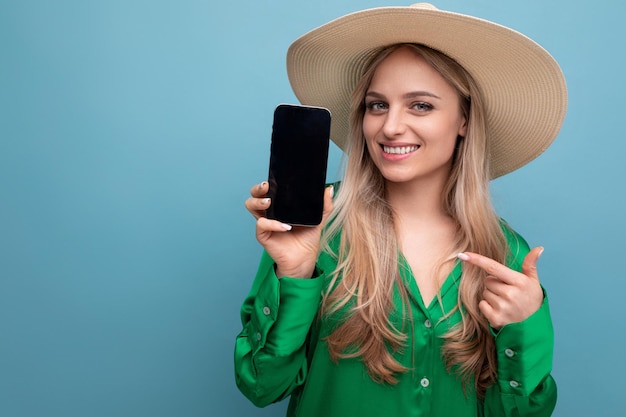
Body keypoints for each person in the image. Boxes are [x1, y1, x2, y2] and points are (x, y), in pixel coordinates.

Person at [235, 3, 567, 417]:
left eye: (420, 105)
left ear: (464, 118)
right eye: (377, 105)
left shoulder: (506, 255)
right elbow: (261, 385)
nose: (390, 127)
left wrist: (523, 327)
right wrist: (295, 274)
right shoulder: (319, 225)